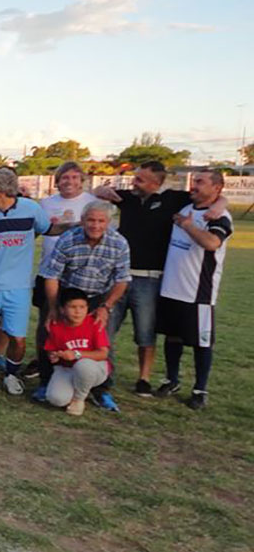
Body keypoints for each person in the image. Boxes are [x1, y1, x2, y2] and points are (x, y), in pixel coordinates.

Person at [93, 161, 229, 395]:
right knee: (105, 329)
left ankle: (145, 379)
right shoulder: (129, 197)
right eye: (135, 178)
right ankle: (105, 376)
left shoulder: (175, 200)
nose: (134, 183)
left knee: (146, 333)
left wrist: (221, 204)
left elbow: (214, 198)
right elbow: (98, 193)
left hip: (151, 280)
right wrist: (100, 191)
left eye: (140, 180)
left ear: (156, 183)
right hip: (120, 276)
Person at [0, 168, 54, 396]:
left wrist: (76, 225)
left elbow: (46, 229)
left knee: (18, 338)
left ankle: (12, 375)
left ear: (1, 191)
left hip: (19, 286)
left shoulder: (31, 208)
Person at [38, 200, 131, 410]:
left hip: (100, 296)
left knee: (103, 337)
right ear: (82, 220)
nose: (95, 225)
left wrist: (106, 307)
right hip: (68, 293)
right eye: (91, 220)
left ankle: (102, 390)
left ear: (109, 222)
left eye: (101, 221)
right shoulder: (68, 239)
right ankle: (46, 381)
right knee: (48, 333)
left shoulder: (119, 243)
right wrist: (53, 307)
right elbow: (52, 276)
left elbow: (122, 280)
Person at [154, 170, 232, 410]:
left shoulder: (220, 217)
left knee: (202, 342)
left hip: (198, 292)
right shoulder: (186, 205)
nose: (194, 185)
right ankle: (172, 380)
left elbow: (211, 243)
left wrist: (188, 226)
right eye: (194, 180)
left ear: (217, 188)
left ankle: (200, 389)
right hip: (171, 287)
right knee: (172, 336)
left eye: (200, 182)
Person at [32, 162, 96, 381]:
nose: (69, 181)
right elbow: (37, 232)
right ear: (57, 181)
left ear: (82, 180)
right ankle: (44, 368)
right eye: (64, 177)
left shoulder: (92, 202)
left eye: (75, 177)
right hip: (49, 271)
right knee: (46, 322)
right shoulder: (46, 203)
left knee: (80, 324)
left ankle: (80, 370)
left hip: (79, 275)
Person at [43, 288, 111, 416]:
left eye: (82, 307)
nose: (78, 311)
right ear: (62, 309)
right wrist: (54, 356)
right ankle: (76, 388)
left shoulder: (94, 323)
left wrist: (77, 354)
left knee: (83, 365)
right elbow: (51, 350)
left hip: (94, 367)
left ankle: (79, 399)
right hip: (67, 368)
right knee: (56, 399)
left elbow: (103, 353)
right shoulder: (56, 325)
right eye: (73, 307)